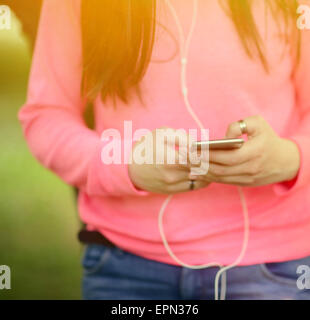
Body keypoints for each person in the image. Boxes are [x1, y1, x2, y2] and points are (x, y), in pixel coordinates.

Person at [18, 0, 310, 300]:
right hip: (125, 267)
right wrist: (127, 165)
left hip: (274, 268)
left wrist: (291, 158)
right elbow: (46, 116)